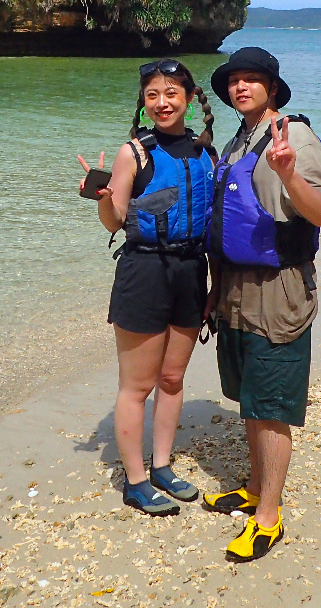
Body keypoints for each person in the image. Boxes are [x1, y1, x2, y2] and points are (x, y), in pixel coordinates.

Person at [201, 46, 321, 562]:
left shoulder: (292, 136)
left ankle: (269, 516)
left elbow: (320, 212)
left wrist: (287, 175)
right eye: (234, 80)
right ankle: (256, 486)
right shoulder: (240, 139)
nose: (241, 87)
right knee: (249, 393)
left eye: (252, 80)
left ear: (273, 89)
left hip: (278, 286)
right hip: (235, 284)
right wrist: (214, 290)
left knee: (273, 401)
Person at [78, 59, 217, 516]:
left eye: (171, 94)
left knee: (173, 379)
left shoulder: (205, 152)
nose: (162, 103)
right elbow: (114, 222)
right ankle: (135, 480)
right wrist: (102, 200)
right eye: (152, 95)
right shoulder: (133, 153)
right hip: (145, 271)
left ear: (191, 98)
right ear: (143, 102)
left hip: (191, 270)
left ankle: (162, 466)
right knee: (136, 386)